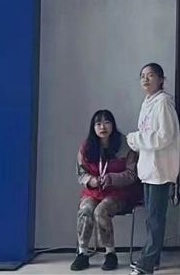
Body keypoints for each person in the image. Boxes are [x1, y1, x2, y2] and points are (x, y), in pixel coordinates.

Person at [72, 110, 142, 272]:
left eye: (107, 122)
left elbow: (132, 174)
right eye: (98, 124)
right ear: (93, 127)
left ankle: (110, 253)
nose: (102, 127)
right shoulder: (86, 147)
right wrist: (91, 180)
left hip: (120, 192)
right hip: (93, 191)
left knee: (100, 211)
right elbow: (80, 173)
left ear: (113, 125)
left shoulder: (125, 145)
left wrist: (111, 179)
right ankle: (82, 253)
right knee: (85, 210)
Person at [127, 63, 180, 275]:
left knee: (156, 218)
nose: (145, 79)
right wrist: (136, 141)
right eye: (142, 76)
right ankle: (153, 257)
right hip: (148, 169)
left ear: (161, 79)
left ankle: (146, 263)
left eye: (150, 75)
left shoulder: (163, 103)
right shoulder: (147, 103)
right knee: (151, 218)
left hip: (160, 170)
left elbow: (164, 136)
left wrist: (135, 139)